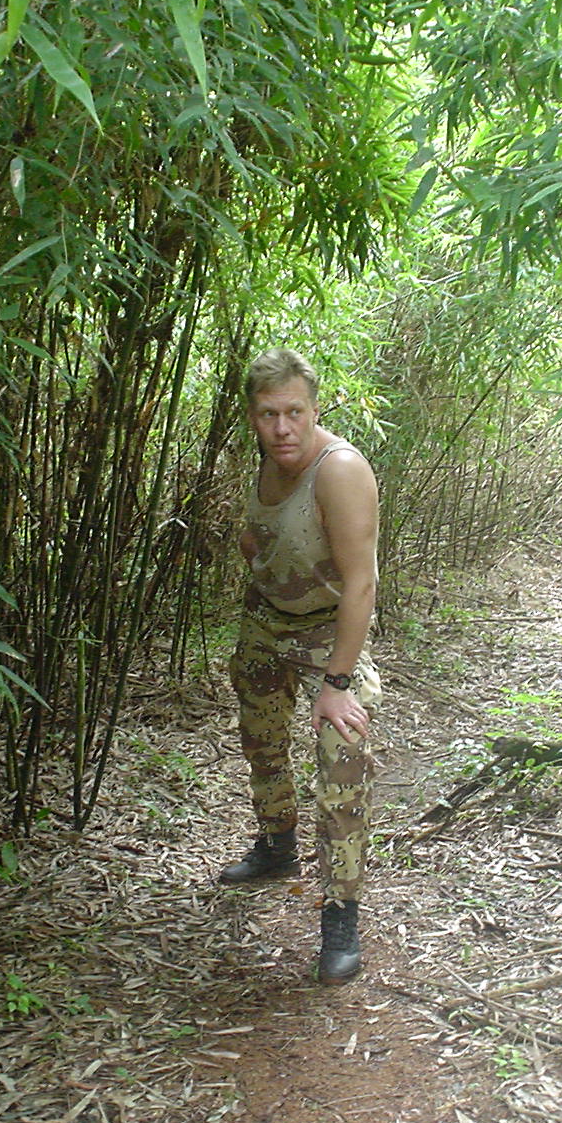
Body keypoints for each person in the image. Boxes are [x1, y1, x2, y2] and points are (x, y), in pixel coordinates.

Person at [220, 347, 383, 985]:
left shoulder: (338, 469)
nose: (282, 427)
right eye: (268, 415)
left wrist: (338, 683)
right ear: (254, 419)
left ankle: (341, 910)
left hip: (327, 632)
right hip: (265, 623)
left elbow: (362, 583)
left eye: (294, 412)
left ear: (315, 410)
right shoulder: (266, 461)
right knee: (260, 740)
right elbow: (261, 534)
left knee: (343, 758)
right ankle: (276, 844)